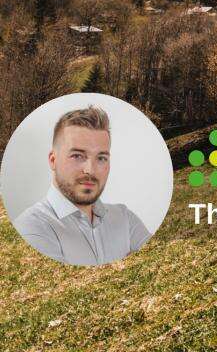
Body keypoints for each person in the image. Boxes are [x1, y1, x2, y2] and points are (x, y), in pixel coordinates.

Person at [13, 105, 151, 265]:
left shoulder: (125, 218)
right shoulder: (31, 227)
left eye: (101, 158)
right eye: (77, 156)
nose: (90, 170)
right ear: (53, 160)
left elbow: (155, 264)